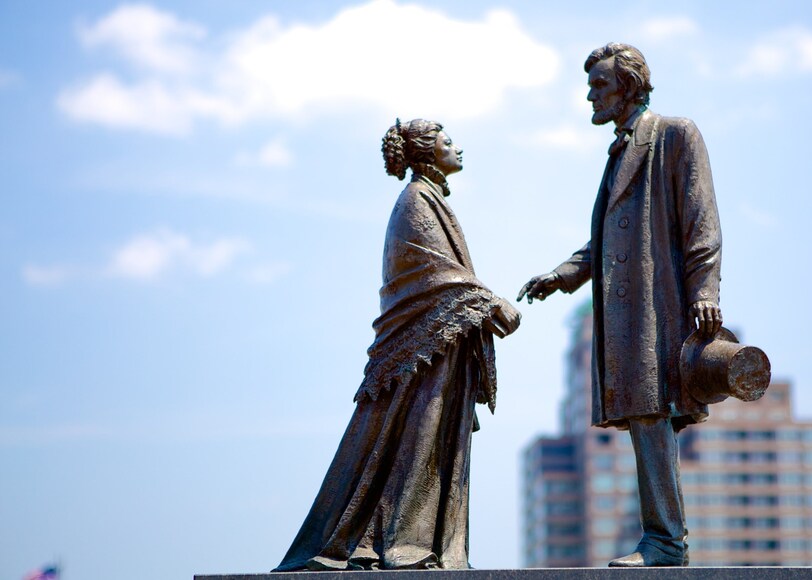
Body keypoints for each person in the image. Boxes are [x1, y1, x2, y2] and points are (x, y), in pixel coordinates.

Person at [275, 118, 521, 571]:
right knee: (416, 438)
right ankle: (401, 543)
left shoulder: (429, 199)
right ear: (428, 151)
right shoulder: (414, 201)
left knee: (424, 441)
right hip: (421, 344)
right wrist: (489, 302)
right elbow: (429, 273)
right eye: (449, 141)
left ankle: (405, 540)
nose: (458, 148)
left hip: (437, 341)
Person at [518, 43, 723, 567]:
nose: (591, 96)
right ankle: (662, 537)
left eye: (599, 86)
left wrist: (705, 293)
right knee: (642, 419)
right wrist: (562, 275)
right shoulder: (616, 155)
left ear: (627, 87)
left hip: (661, 309)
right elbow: (602, 241)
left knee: (652, 417)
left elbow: (701, 223)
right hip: (625, 318)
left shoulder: (674, 135)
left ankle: (665, 541)